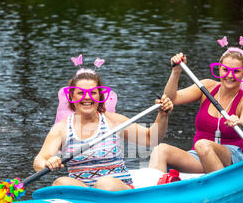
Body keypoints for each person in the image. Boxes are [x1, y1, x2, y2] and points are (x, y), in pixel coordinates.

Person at [33, 64, 174, 191]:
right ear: (72, 96)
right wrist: (48, 162)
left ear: (100, 96)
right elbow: (39, 161)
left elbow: (151, 139)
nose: (87, 97)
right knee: (60, 182)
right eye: (81, 93)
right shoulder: (61, 128)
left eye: (93, 92)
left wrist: (163, 115)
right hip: (84, 194)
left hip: (116, 189)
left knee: (104, 184)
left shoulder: (113, 120)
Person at [149, 37, 243, 174]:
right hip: (200, 155)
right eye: (225, 70)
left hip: (231, 156)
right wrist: (176, 71)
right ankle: (156, 192)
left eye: (236, 71)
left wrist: (239, 121)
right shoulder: (206, 87)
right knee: (160, 150)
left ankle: (221, 186)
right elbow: (171, 99)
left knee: (203, 144)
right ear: (219, 69)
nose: (230, 75)